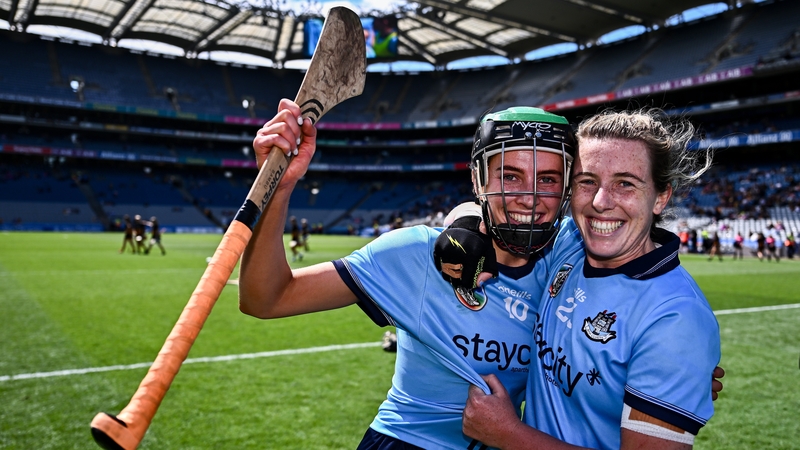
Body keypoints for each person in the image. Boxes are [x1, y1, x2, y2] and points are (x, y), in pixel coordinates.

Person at [238, 102, 577, 449]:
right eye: (510, 176)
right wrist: (277, 189)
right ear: (478, 179)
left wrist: (465, 215)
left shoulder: (573, 255)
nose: (529, 197)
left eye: (547, 179)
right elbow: (266, 298)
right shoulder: (417, 254)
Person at [439, 108, 721, 449]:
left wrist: (508, 434)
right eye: (587, 181)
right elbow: (495, 209)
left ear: (661, 196)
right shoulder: (569, 246)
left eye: (625, 183)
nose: (601, 202)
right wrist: (464, 226)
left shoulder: (676, 318)